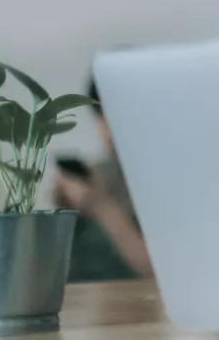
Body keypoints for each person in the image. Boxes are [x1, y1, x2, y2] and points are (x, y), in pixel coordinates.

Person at [54, 78, 153, 281]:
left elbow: (155, 271)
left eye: (118, 113)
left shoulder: (163, 181)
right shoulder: (96, 172)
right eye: (101, 115)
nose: (106, 126)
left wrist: (101, 206)